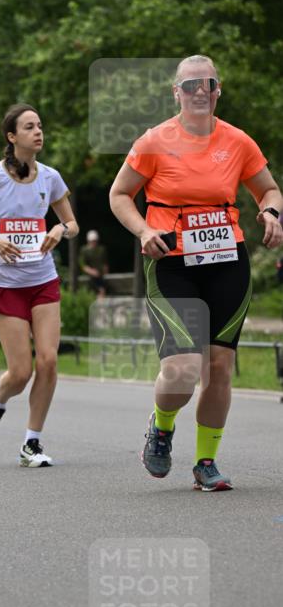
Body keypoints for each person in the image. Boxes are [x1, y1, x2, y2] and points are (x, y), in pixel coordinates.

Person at [109, 54, 283, 491]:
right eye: (190, 85)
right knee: (185, 367)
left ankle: (206, 461)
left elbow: (267, 188)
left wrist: (272, 212)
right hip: (172, 262)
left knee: (220, 366)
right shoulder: (154, 141)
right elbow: (119, 195)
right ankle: (162, 426)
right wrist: (144, 228)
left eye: (207, 83)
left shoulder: (238, 141)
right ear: (176, 92)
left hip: (227, 261)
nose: (200, 90)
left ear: (218, 89)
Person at [0, 103, 79, 467]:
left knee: (50, 360)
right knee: (21, 372)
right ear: (12, 137)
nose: (38, 132)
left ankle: (32, 443)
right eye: (29, 127)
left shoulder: (50, 178)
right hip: (5, 282)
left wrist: (58, 229)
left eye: (40, 125)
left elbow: (72, 224)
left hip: (42, 277)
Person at [79, 230, 110, 298]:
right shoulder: (84, 250)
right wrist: (91, 271)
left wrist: (105, 271)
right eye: (92, 241)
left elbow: (105, 263)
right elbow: (82, 264)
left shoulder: (101, 249)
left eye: (95, 241)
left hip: (100, 275)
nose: (93, 243)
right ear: (88, 241)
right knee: (99, 288)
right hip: (90, 275)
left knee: (103, 286)